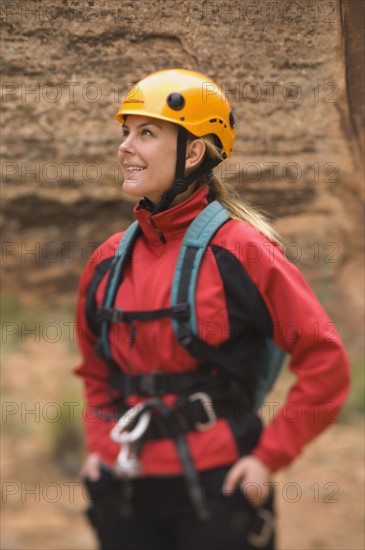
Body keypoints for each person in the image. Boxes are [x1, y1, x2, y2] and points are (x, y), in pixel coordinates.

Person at [75, 69, 350, 550]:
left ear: (194, 151)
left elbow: (324, 359)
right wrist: (100, 449)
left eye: (146, 132)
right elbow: (97, 372)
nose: (125, 147)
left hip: (220, 488)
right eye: (125, 132)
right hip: (127, 492)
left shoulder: (242, 251)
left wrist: (269, 457)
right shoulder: (107, 262)